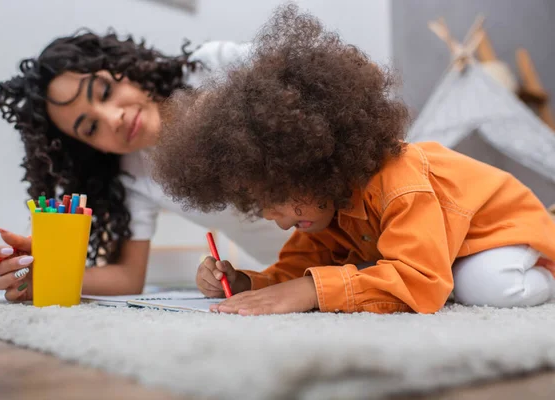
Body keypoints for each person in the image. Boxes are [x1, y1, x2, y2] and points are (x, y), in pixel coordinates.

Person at [150, 5, 555, 315]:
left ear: (311, 160)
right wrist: (245, 283)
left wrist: (312, 291)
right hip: (447, 250)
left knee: (488, 286)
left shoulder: (400, 182)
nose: (279, 220)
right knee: (443, 281)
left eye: (276, 197)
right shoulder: (320, 207)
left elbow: (419, 282)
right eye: (261, 206)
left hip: (501, 230)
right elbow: (294, 272)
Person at [0, 29, 291, 301]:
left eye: (105, 91)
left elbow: (326, 82)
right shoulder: (133, 175)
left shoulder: (214, 67)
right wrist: (46, 274)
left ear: (123, 70)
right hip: (297, 267)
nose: (113, 119)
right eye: (91, 129)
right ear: (93, 149)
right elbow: (128, 278)